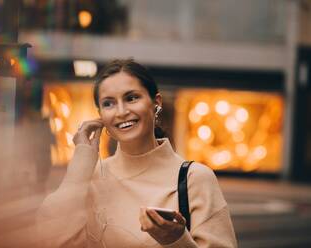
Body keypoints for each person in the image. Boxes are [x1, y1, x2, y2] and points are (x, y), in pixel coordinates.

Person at [36, 59, 237, 248]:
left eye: (131, 98)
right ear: (101, 116)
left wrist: (177, 241)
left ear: (156, 103)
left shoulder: (195, 179)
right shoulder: (89, 178)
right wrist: (79, 165)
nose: (121, 111)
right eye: (108, 103)